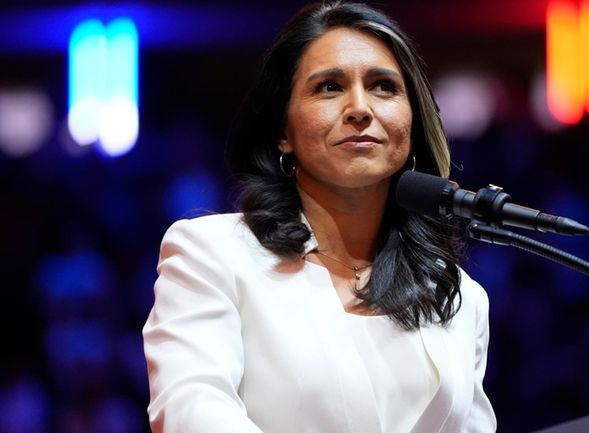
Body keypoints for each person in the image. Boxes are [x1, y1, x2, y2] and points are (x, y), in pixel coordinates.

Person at [142, 2, 496, 432]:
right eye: (329, 87)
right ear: (282, 133)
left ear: (411, 120)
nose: (360, 108)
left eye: (384, 87)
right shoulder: (211, 255)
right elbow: (191, 411)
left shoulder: (458, 296)